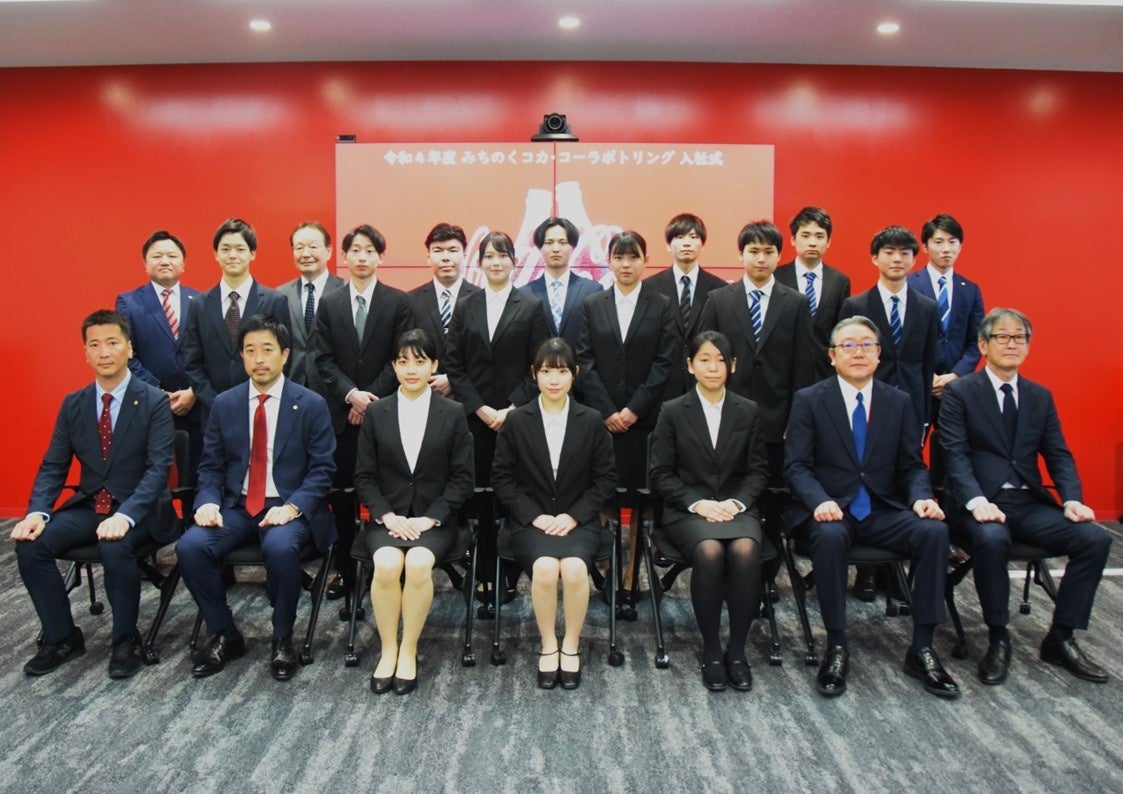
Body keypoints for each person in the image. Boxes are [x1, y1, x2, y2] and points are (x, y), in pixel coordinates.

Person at [784, 316, 959, 699]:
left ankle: (923, 645)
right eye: (848, 345)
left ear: (879, 354)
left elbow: (912, 464)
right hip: (830, 510)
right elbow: (796, 465)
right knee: (830, 538)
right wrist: (820, 500)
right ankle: (837, 644)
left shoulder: (898, 402)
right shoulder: (810, 400)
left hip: (882, 509)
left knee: (934, 531)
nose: (858, 352)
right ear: (832, 356)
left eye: (866, 345)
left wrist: (921, 498)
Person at [939, 308, 1111, 685]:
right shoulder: (960, 392)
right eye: (1003, 337)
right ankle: (998, 636)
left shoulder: (1039, 396)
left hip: (1028, 503)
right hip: (978, 503)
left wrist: (1072, 498)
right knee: (991, 537)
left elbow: (1058, 453)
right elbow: (954, 453)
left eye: (1020, 338)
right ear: (984, 344)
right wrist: (975, 501)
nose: (1012, 344)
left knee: (1094, 538)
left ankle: (1061, 636)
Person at [12, 309, 175, 679]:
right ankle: (62, 636)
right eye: (95, 345)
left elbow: (157, 469)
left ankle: (125, 639)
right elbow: (53, 466)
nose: (104, 352)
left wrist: (126, 515)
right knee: (31, 544)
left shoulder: (153, 401)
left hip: (141, 510)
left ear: (129, 349)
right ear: (85, 353)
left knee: (116, 545)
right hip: (92, 506)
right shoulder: (74, 403)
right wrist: (38, 511)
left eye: (112, 343)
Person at [177, 314, 336, 681]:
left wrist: (293, 507)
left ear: (285, 355)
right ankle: (224, 634)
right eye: (250, 351)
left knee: (281, 547)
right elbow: (211, 466)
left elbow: (323, 470)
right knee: (190, 546)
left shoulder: (309, 403)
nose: (259, 359)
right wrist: (206, 502)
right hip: (236, 507)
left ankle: (283, 637)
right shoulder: (226, 404)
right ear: (243, 357)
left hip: (288, 507)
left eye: (267, 350)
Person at [490, 338, 618, 690]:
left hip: (579, 521)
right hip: (532, 522)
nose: (554, 379)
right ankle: (549, 644)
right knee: (546, 569)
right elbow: (502, 478)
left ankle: (571, 645)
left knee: (576, 568)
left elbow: (605, 479)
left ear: (574, 374)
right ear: (534, 374)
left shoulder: (591, 420)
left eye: (562, 371)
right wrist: (534, 516)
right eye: (546, 371)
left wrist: (575, 516)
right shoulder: (516, 421)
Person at [354, 329, 475, 695]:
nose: (411, 369)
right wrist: (387, 516)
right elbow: (364, 476)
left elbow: (462, 478)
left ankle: (409, 649)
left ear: (434, 366)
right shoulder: (376, 411)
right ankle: (388, 649)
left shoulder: (453, 412)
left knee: (420, 564)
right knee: (388, 565)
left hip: (434, 519)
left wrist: (429, 518)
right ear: (393, 366)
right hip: (387, 518)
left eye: (420, 362)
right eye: (403, 361)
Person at [648, 331, 769, 692]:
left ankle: (737, 650)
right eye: (704, 359)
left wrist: (735, 503)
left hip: (736, 507)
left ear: (732, 366)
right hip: (687, 511)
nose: (712, 366)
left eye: (720, 359)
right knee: (710, 550)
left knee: (746, 550)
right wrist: (699, 503)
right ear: (690, 365)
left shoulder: (748, 410)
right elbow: (660, 473)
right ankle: (712, 648)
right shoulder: (672, 411)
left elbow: (758, 470)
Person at [444, 231, 551, 600]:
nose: (495, 262)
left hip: (517, 419)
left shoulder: (531, 306)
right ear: (480, 262)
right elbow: (454, 365)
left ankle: (509, 573)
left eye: (502, 256)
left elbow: (540, 365)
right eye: (488, 256)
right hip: (475, 420)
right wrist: (480, 407)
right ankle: (483, 570)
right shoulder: (466, 305)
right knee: (481, 498)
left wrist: (510, 408)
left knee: (512, 496)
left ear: (513, 261)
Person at [313, 224, 412, 600]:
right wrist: (350, 395)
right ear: (344, 256)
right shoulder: (330, 302)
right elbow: (322, 359)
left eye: (370, 250)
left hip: (384, 415)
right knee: (341, 497)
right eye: (355, 250)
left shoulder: (398, 302)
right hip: (341, 417)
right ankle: (344, 569)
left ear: (380, 257)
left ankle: (385, 566)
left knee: (384, 493)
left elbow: (400, 359)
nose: (362, 257)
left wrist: (369, 398)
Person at [576, 230, 676, 491]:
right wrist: (607, 411)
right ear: (608, 261)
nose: (626, 264)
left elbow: (664, 362)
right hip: (601, 417)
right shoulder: (592, 304)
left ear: (646, 260)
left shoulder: (661, 304)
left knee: (641, 489)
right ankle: (605, 533)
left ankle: (635, 535)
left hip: (645, 417)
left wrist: (634, 409)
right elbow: (584, 360)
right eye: (619, 257)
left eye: (634, 257)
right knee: (602, 487)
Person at [182, 218, 290, 428]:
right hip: (214, 414)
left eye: (240, 249)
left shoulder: (274, 301)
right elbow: (192, 363)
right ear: (216, 254)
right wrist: (217, 402)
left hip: (264, 410)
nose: (232, 255)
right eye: (225, 249)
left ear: (252, 253)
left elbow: (286, 356)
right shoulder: (199, 305)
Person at [116, 230, 204, 480]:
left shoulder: (200, 300)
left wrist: (193, 391)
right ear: (145, 263)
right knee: (152, 476)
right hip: (150, 404)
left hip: (195, 404)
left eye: (172, 255)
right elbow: (127, 355)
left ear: (183, 263)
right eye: (157, 256)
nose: (165, 260)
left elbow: (210, 352)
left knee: (196, 474)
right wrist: (158, 392)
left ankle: (194, 517)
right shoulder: (129, 302)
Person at [838, 225, 938, 437]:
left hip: (912, 405)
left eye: (904, 253)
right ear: (875, 258)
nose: (897, 259)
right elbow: (843, 361)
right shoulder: (855, 306)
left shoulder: (927, 308)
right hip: (866, 402)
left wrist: (925, 415)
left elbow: (927, 364)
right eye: (889, 252)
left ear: (914, 260)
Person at [906, 213, 984, 479]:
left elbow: (977, 342)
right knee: (910, 451)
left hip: (956, 387)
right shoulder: (908, 285)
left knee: (956, 453)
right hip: (917, 384)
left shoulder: (970, 289)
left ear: (960, 246)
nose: (946, 248)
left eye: (953, 242)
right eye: (939, 242)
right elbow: (903, 341)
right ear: (926, 247)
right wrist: (928, 377)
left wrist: (955, 376)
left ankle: (952, 507)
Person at [643, 213, 728, 397]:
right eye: (679, 237)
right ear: (668, 245)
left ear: (702, 245)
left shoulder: (720, 289)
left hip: (705, 382)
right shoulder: (650, 287)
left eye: (694, 237)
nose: (687, 243)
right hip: (661, 385)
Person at [775, 206, 851, 381]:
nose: (812, 242)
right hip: (784, 371)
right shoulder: (776, 277)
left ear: (828, 241)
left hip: (824, 372)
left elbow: (841, 329)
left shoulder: (839, 281)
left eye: (819, 236)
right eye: (805, 235)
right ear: (793, 239)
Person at [406, 223, 480, 398]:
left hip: (472, 400)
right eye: (438, 250)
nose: (445, 257)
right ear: (428, 257)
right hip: (423, 395)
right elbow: (405, 351)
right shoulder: (410, 301)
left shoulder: (481, 299)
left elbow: (484, 355)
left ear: (464, 255)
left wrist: (454, 380)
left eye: (453, 250)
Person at [278, 220, 346, 394]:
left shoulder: (346, 291)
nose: (305, 254)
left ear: (329, 251)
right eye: (299, 248)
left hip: (335, 393)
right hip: (292, 389)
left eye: (313, 247)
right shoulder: (280, 295)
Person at [520, 216, 602, 352]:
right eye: (549, 242)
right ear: (540, 247)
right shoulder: (524, 294)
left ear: (573, 246)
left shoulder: (592, 291)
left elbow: (598, 339)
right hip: (539, 371)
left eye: (563, 242)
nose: (556, 249)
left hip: (581, 370)